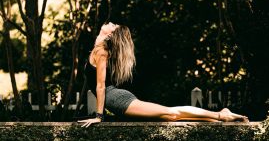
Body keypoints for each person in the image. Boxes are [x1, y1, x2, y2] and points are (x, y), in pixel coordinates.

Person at [78, 22, 248, 127]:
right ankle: (216, 118)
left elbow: (100, 85)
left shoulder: (101, 51)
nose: (111, 22)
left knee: (171, 113)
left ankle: (221, 114)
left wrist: (99, 117)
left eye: (113, 26)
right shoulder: (99, 47)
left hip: (116, 99)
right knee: (169, 116)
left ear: (110, 34)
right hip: (114, 98)